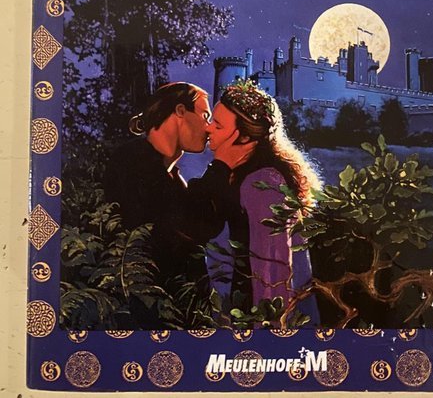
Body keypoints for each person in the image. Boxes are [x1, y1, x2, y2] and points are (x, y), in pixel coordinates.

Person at [103, 82, 254, 307]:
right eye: (205, 116)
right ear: (180, 111)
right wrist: (221, 166)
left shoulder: (167, 172)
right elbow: (189, 225)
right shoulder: (132, 163)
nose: (209, 128)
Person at [205, 79, 320, 321]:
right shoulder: (244, 175)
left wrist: (270, 332)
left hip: (265, 321)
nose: (208, 129)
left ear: (244, 137)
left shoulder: (262, 183)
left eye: (217, 125)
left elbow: (273, 273)